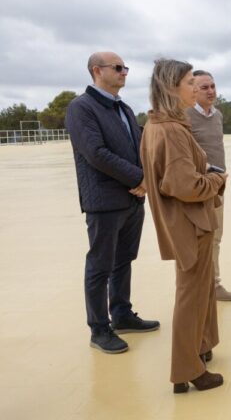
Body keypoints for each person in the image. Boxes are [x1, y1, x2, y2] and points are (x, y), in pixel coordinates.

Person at [140, 58, 227, 392]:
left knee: (200, 291)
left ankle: (201, 347)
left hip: (183, 222)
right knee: (191, 296)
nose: (196, 87)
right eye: (191, 82)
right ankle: (187, 370)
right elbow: (183, 184)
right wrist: (215, 182)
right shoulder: (173, 130)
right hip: (191, 224)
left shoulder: (155, 125)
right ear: (171, 87)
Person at [65, 51, 159, 354]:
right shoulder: (82, 108)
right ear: (96, 71)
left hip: (132, 199)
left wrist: (145, 178)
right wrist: (139, 179)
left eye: (125, 68)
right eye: (118, 68)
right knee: (100, 265)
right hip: (105, 200)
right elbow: (96, 153)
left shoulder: (125, 109)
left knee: (123, 259)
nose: (124, 72)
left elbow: (140, 146)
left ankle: (121, 314)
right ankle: (99, 328)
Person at [186, 70, 231, 301]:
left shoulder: (217, 115)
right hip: (196, 189)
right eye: (204, 87)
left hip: (218, 188)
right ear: (193, 90)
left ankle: (214, 285)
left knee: (215, 237)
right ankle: (196, 288)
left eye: (213, 86)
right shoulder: (185, 116)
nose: (211, 91)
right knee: (194, 240)